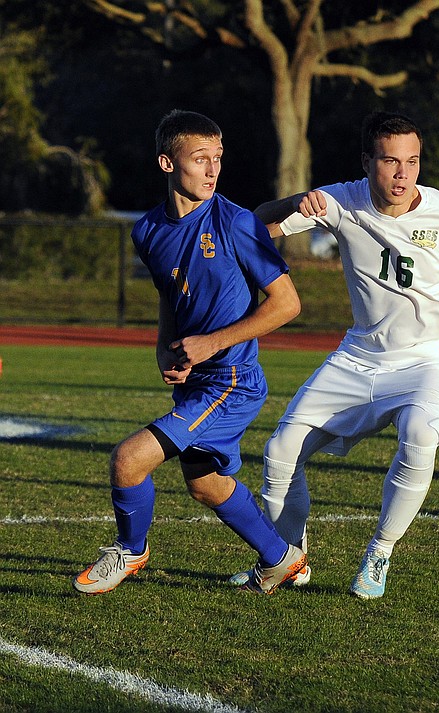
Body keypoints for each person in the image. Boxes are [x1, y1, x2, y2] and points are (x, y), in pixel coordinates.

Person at [243, 111, 439, 600]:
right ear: (367, 163)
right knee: (280, 452)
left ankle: (380, 550)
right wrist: (298, 200)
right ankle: (287, 556)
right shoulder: (342, 200)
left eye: (412, 161)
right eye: (390, 162)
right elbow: (259, 222)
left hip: (431, 357)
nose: (403, 175)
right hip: (360, 356)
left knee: (421, 432)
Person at [73, 110, 305, 596]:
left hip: (233, 381)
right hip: (198, 381)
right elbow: (168, 295)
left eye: (217, 159)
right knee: (206, 485)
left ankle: (131, 552)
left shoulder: (237, 222)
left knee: (128, 460)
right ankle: (282, 558)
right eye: (199, 159)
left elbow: (287, 304)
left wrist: (212, 343)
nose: (211, 169)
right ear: (166, 162)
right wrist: (164, 346)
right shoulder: (148, 232)